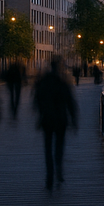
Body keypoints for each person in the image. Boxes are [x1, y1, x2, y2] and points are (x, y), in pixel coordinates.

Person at [34, 57, 78, 190]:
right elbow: (70, 102)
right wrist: (74, 119)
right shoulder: (62, 82)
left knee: (47, 148)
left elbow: (37, 100)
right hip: (60, 119)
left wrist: (40, 114)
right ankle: (58, 168)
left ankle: (49, 176)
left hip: (47, 119)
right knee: (59, 146)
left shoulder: (44, 82)